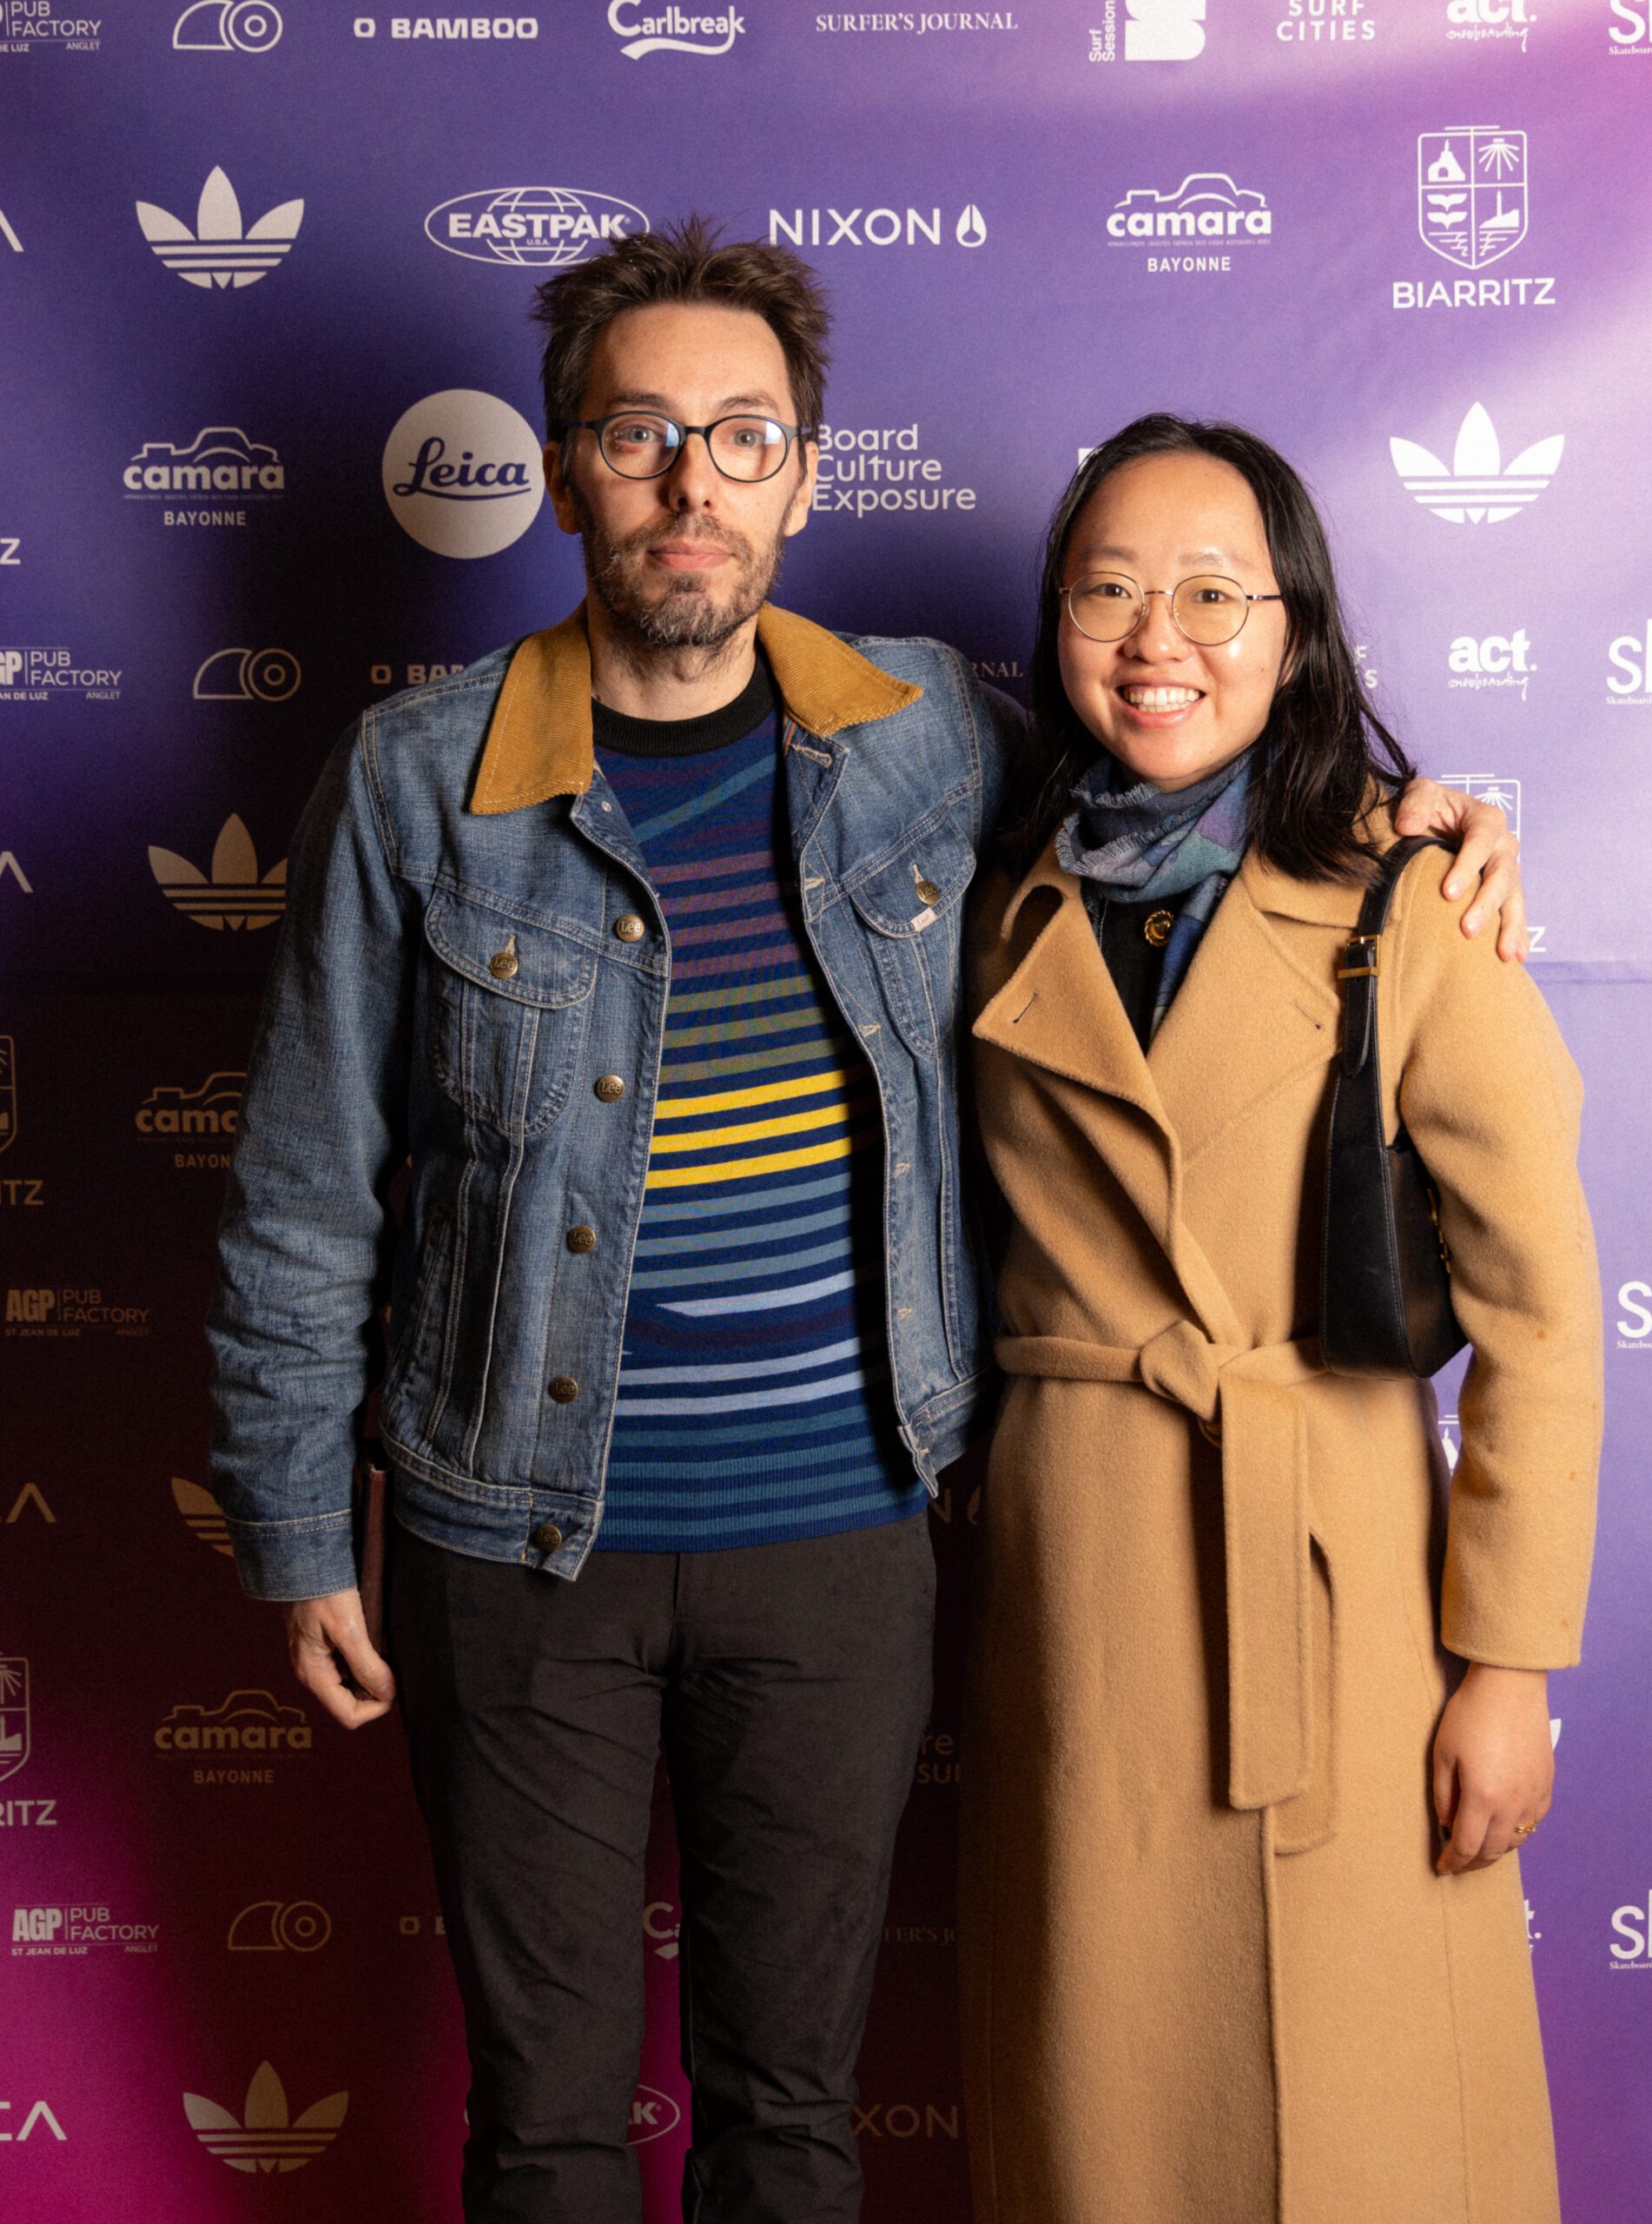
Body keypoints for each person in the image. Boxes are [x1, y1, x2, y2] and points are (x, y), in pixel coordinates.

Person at [205, 222, 1527, 2224]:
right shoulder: (414, 781)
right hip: (512, 1544)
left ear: (806, 475)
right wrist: (301, 1526)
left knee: (791, 2115)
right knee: (542, 2124)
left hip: (840, 1543)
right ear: (562, 471)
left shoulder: (929, 731)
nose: (692, 482)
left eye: (743, 437)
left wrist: (1415, 819)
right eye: (639, 434)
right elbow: (304, 1189)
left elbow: (1186, 768)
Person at [961, 415, 1601, 2224]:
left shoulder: (1413, 906)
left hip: (1343, 1582)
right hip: (1078, 1580)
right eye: (1106, 591)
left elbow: (1544, 1315)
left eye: (1212, 595)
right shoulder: (996, 899)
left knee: (1364, 2101)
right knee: (1107, 2100)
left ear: (1296, 632)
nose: (1154, 639)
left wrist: (1508, 1667)